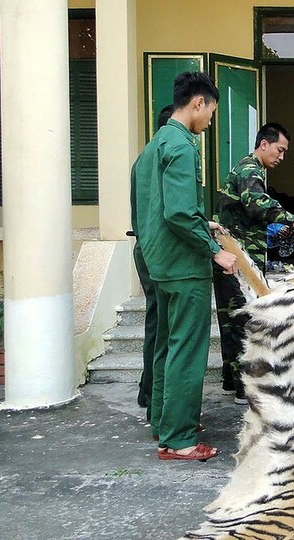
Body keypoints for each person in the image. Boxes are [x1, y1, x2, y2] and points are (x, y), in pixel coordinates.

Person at [133, 71, 236, 461]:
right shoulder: (182, 145)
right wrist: (214, 250)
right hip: (182, 264)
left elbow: (158, 208)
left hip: (158, 260)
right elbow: (177, 212)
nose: (210, 120)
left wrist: (201, 219)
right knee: (187, 349)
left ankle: (163, 420)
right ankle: (180, 439)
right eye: (211, 111)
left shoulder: (154, 145)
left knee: (164, 344)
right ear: (198, 103)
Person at [215, 122, 294, 403]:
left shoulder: (252, 169)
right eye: (279, 150)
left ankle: (230, 379)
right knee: (241, 319)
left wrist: (284, 230)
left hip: (239, 256)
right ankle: (241, 387)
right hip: (235, 259)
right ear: (264, 145)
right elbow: (257, 203)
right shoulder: (249, 169)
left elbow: (252, 214)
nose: (281, 157)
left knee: (232, 318)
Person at [133, 104, 174, 420]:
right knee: (164, 328)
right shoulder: (167, 155)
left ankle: (149, 394)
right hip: (158, 250)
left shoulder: (141, 159)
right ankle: (157, 402)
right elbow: (176, 213)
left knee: (155, 324)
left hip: (144, 248)